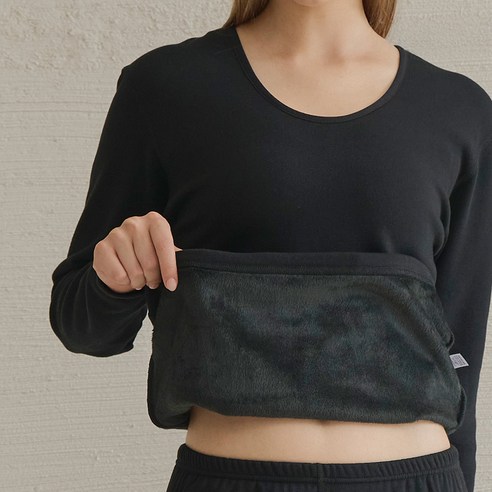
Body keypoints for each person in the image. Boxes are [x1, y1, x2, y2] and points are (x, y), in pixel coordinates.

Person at [49, 0, 492, 491]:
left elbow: (461, 354)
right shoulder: (163, 88)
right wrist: (114, 277)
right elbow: (82, 326)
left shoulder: (461, 109)